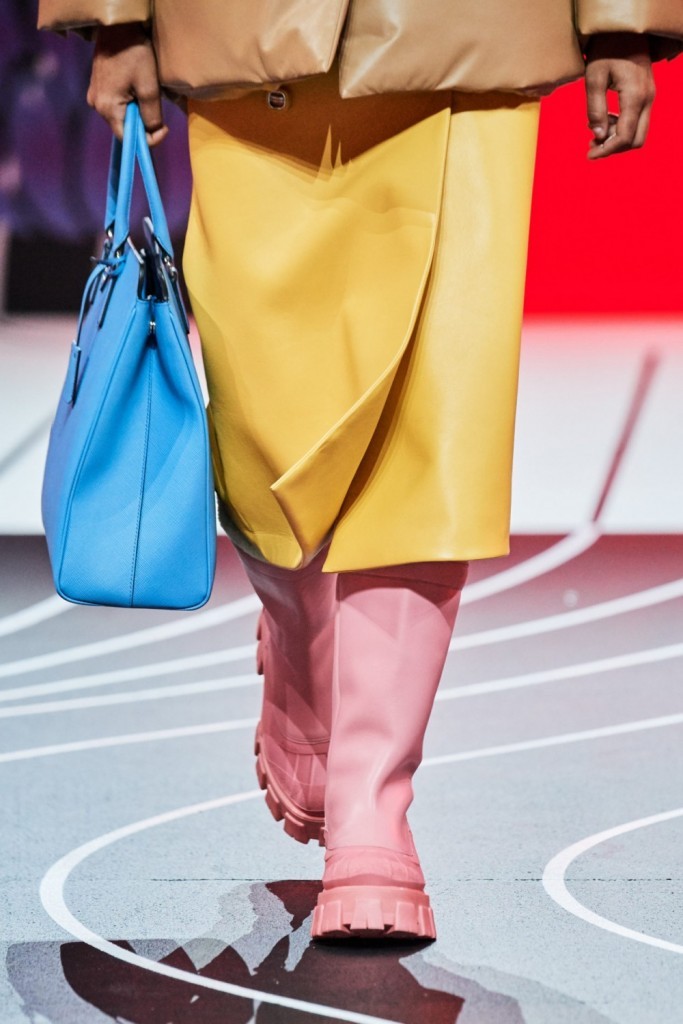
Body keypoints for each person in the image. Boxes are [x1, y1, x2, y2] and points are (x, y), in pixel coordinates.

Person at [38, 1, 683, 941]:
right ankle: (301, 648)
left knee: (435, 423)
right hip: (242, 38)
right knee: (261, 430)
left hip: (469, 41)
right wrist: (115, 19)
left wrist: (622, 22)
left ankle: (373, 810)